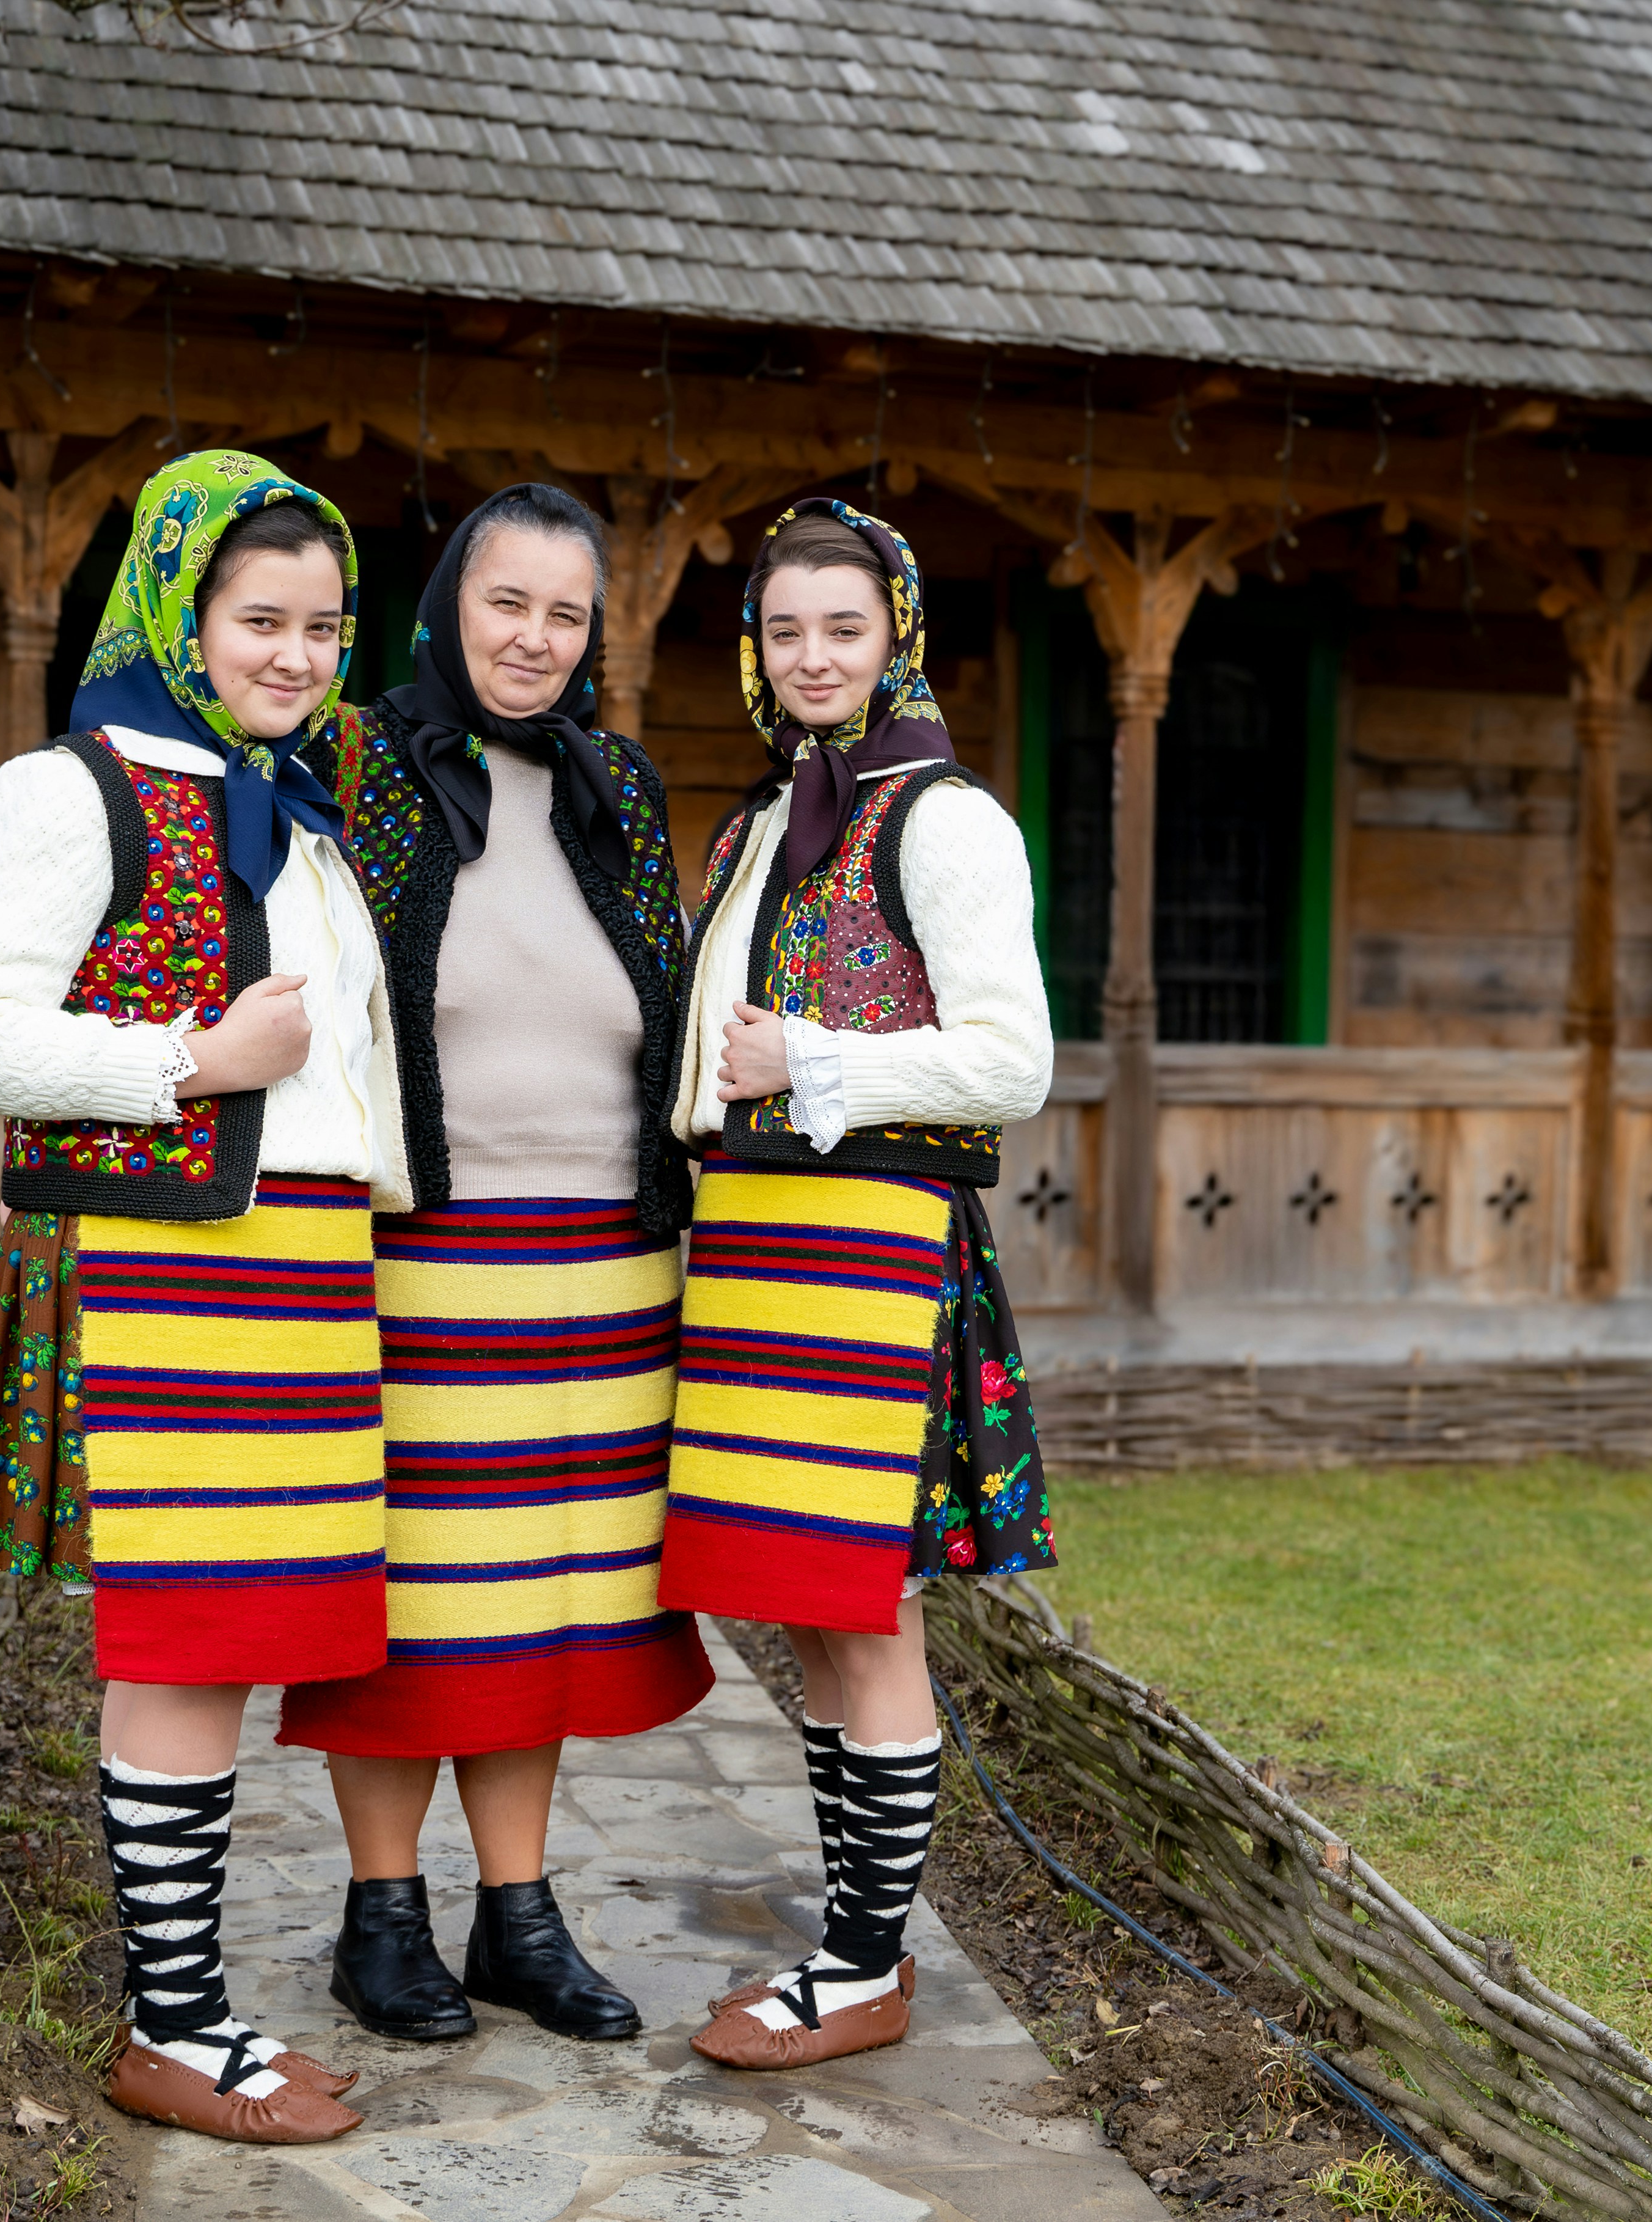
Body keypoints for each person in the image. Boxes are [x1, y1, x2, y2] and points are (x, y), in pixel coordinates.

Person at [0, 451, 398, 2146]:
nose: (294, 652)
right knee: (184, 1647)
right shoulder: (72, 788)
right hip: (172, 1264)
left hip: (302, 1267)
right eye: (259, 618)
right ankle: (173, 2024)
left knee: (246, 1640)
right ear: (178, 608)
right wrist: (198, 1055)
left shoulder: (295, 797)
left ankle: (191, 2005)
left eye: (324, 624)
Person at [283, 482, 711, 2044]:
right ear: (449, 601)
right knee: (413, 1596)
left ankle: (516, 1917)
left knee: (550, 1602)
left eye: (566, 613)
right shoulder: (358, 763)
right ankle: (378, 1916)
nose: (534, 638)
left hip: (604, 1255)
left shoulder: (614, 780)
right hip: (422, 1251)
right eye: (506, 602)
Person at [656, 499, 1058, 2069]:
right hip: (760, 1246)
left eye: (844, 628)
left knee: (868, 1609)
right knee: (811, 1612)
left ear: (896, 636)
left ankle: (870, 1966)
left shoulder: (944, 818)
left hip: (874, 1246)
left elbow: (1014, 1060)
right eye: (783, 630)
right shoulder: (765, 820)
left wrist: (810, 1055)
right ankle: (846, 1947)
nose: (813, 657)